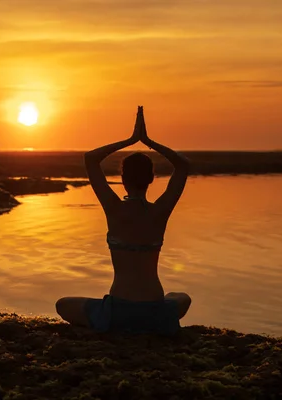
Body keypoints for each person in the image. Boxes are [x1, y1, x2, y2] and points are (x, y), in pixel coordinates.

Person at [55, 106, 192, 335]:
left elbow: (90, 159)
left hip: (117, 312)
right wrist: (148, 141)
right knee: (182, 298)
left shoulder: (114, 208)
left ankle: (108, 328)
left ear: (122, 178)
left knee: (63, 304)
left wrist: (130, 140)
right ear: (151, 179)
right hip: (155, 312)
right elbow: (183, 165)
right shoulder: (160, 211)